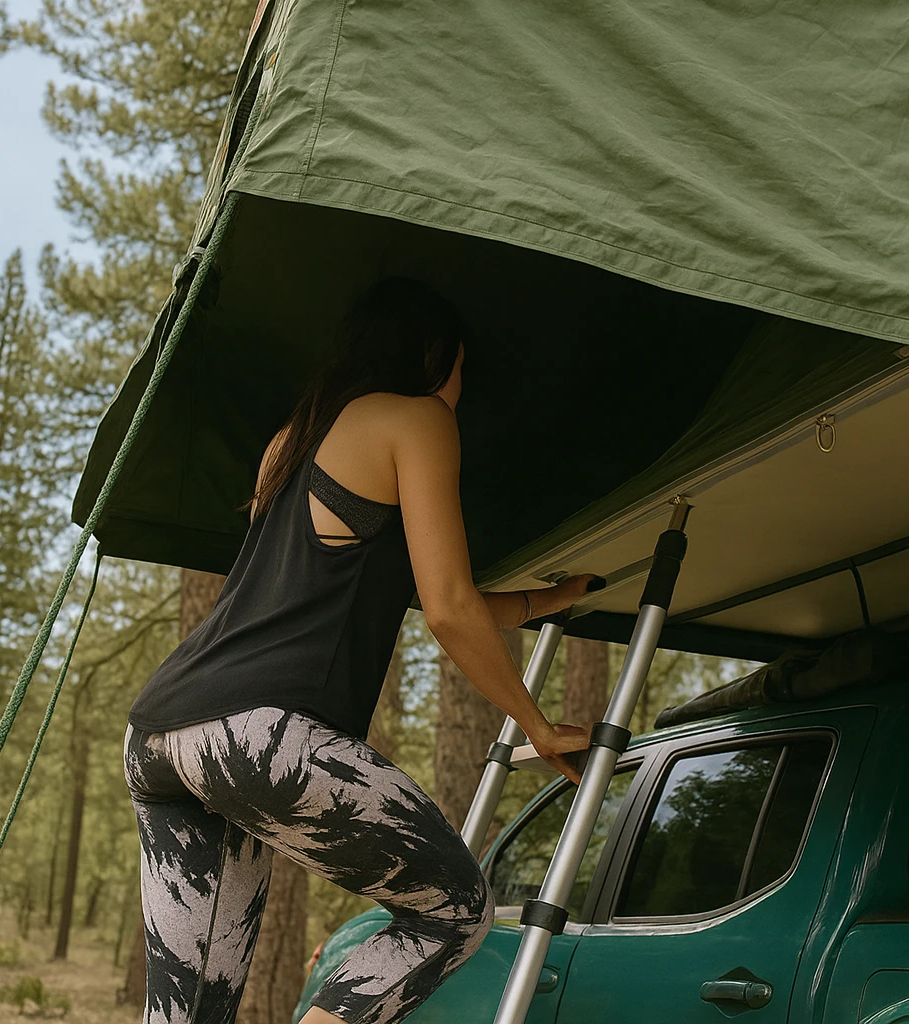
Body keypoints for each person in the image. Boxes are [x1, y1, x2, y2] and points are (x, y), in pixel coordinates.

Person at [122, 278, 595, 1024]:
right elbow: (450, 610)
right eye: (462, 369)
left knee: (189, 1012)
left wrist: (549, 600)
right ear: (435, 359)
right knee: (456, 911)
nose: (461, 390)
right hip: (256, 732)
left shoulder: (298, 438)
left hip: (162, 734)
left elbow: (420, 588)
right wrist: (536, 724)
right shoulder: (419, 419)